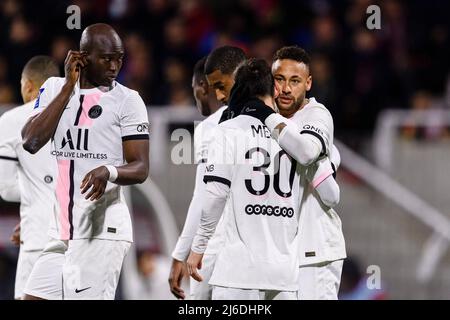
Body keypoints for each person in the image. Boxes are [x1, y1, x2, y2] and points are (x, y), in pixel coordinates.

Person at [21, 23, 149, 300]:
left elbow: (140, 167)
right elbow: (31, 141)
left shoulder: (128, 101)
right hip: (61, 234)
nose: (115, 66)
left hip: (100, 232)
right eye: (106, 58)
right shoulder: (54, 87)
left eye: (119, 58)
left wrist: (109, 171)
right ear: (82, 56)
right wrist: (69, 86)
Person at [187, 59, 302, 300]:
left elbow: (215, 196)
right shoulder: (295, 136)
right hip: (284, 273)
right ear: (275, 89)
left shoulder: (227, 131)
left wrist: (198, 248)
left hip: (240, 272)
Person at [242, 46, 346, 299]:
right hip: (278, 253)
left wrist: (267, 117)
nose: (286, 89)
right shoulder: (264, 119)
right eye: (279, 80)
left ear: (308, 83)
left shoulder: (317, 115)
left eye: (295, 81)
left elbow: (308, 151)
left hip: (315, 250)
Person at [169, 47, 246, 300]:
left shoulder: (211, 127)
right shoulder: (266, 119)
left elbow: (203, 195)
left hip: (217, 246)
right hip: (259, 251)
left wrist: (181, 253)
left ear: (203, 86)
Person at [0, 56, 60, 299]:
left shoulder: (12, 120)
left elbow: (5, 188)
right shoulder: (79, 118)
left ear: (27, 86)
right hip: (78, 236)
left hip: (38, 236)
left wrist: (38, 195)